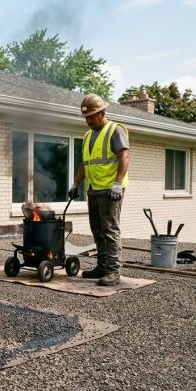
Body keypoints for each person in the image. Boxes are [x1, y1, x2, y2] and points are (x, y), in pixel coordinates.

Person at [68, 94, 130, 286]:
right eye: (86, 117)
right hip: (94, 189)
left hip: (111, 190)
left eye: (91, 117)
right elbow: (85, 163)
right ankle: (102, 266)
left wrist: (118, 183)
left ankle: (113, 271)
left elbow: (124, 157)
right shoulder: (87, 136)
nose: (88, 121)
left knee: (110, 230)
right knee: (97, 230)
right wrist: (76, 184)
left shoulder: (115, 130)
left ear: (102, 112)